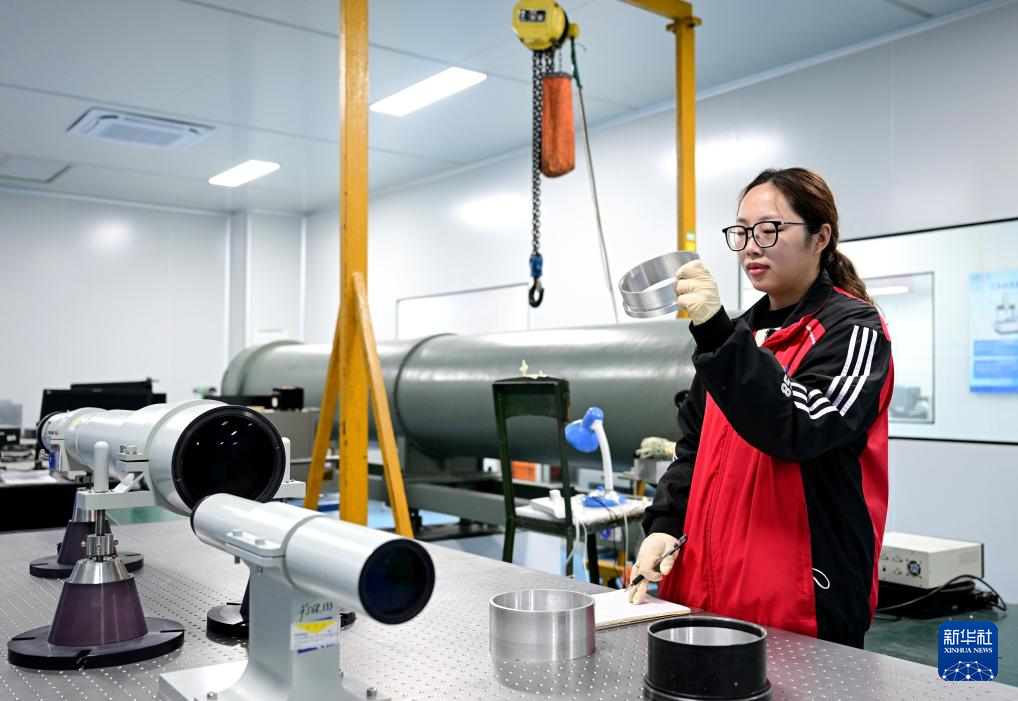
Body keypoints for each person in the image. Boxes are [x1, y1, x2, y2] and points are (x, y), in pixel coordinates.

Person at [630, 167, 893, 649]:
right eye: (742, 232)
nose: (752, 246)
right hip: (709, 590)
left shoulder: (854, 330)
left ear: (820, 237)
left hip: (800, 602)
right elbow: (693, 448)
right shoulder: (739, 337)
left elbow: (800, 427)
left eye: (769, 229)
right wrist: (665, 525)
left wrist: (717, 332)